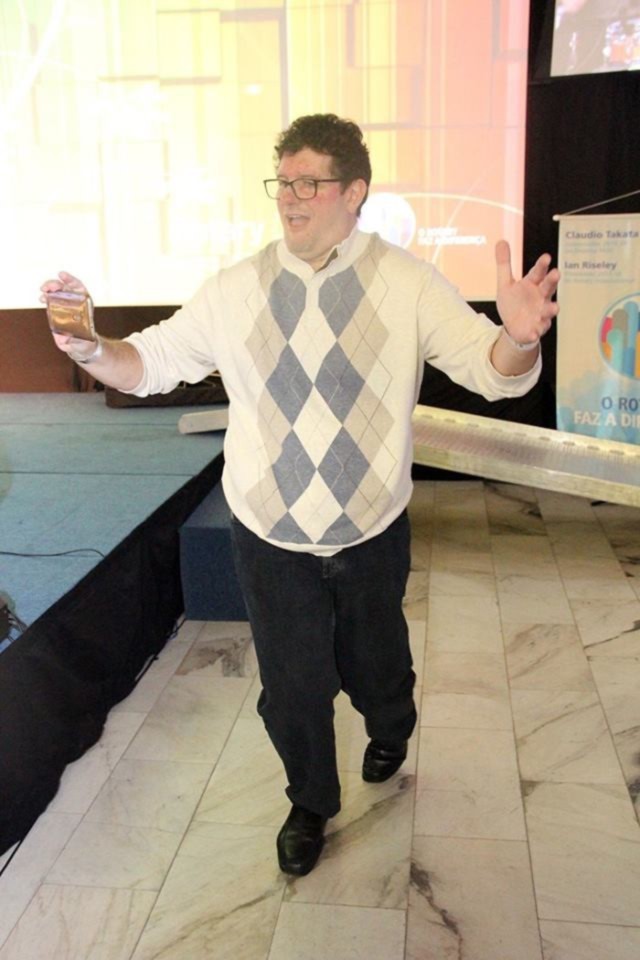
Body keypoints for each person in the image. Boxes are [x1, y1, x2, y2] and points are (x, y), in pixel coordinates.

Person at [40, 113, 559, 877]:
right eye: (283, 182)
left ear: (355, 192)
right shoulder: (235, 288)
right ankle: (311, 800)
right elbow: (150, 363)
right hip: (269, 534)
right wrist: (90, 346)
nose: (290, 197)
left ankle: (391, 724)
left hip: (370, 530)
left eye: (310, 182)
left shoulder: (408, 282)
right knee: (292, 688)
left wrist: (517, 338)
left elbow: (492, 372)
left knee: (378, 671)